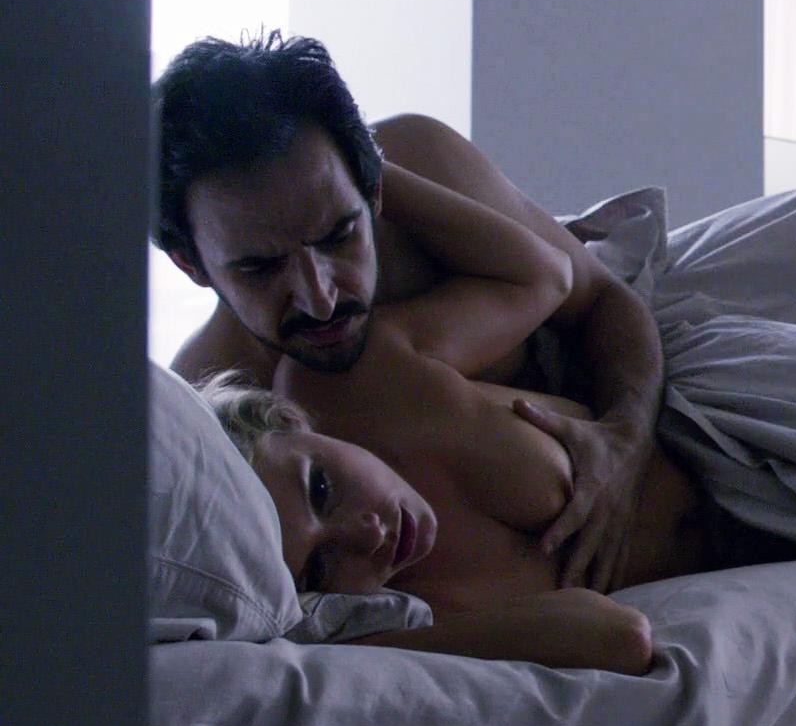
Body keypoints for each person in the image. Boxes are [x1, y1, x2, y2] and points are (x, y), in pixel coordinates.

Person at [154, 32, 665, 591]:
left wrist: (627, 438)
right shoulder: (217, 408)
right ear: (192, 265)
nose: (320, 299)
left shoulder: (423, 161)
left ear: (374, 191)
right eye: (260, 268)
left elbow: (603, 299)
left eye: (340, 235)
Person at [199, 371, 658, 676]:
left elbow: (579, 287)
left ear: (290, 419)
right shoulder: (414, 623)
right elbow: (619, 637)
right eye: (320, 567)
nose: (369, 534)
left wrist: (629, 432)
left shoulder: (374, 383)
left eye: (321, 488)